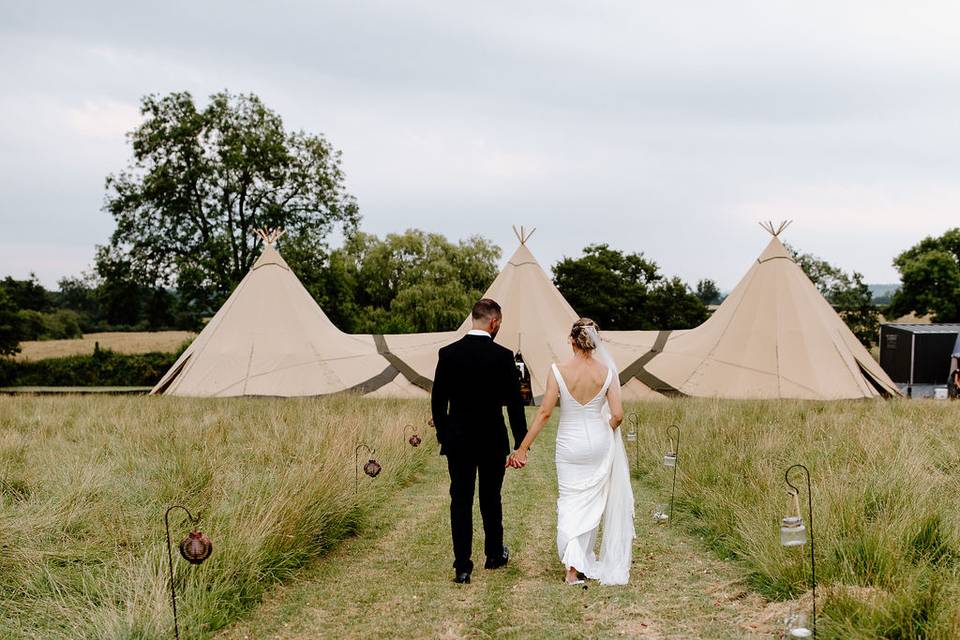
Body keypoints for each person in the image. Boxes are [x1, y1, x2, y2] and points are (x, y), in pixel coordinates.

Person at [507, 318, 635, 585]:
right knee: (591, 500)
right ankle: (582, 560)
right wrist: (605, 430)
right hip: (599, 441)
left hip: (570, 443)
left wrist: (522, 447)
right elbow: (619, 415)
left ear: (572, 341)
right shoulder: (607, 372)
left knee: (570, 500)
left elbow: (543, 413)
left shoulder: (558, 370)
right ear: (595, 342)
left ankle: (573, 569)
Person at [431, 298, 528, 584]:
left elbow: (438, 402)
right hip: (491, 439)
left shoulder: (448, 354)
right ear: (494, 322)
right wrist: (520, 443)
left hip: (458, 440)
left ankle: (462, 566)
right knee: (490, 498)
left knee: (460, 500)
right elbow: (514, 404)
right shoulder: (502, 356)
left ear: (474, 318)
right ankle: (494, 554)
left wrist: (444, 436)